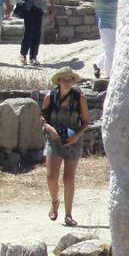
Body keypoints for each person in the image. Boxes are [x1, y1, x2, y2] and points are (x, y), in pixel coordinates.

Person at [41, 68, 90, 227]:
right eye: (64, 79)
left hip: (72, 140)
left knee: (68, 178)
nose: (67, 82)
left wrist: (76, 136)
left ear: (73, 81)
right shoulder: (50, 96)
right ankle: (55, 201)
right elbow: (43, 118)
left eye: (70, 79)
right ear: (59, 81)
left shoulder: (79, 98)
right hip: (54, 140)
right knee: (51, 177)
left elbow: (86, 121)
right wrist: (50, 129)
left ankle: (68, 215)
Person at [17, 0, 53, 67]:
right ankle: (23, 54)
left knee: (37, 31)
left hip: (39, 6)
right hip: (27, 6)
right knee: (29, 30)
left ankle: (33, 57)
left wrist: (50, 2)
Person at [89, 0, 117, 79]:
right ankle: (110, 76)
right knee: (110, 50)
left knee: (112, 49)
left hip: (116, 25)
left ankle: (98, 64)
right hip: (105, 25)